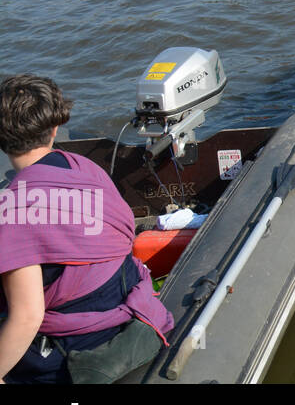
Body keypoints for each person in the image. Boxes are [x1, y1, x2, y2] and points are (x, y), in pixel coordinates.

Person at [0, 75, 175, 383]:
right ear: (54, 129)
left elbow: (27, 316)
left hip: (76, 352)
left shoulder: (12, 213)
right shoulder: (86, 170)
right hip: (131, 314)